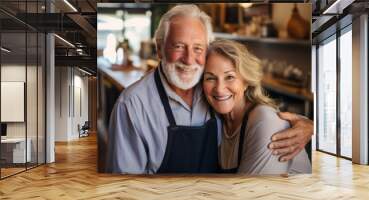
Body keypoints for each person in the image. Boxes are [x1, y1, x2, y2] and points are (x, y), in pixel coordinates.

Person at [106, 4, 313, 174]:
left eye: (197, 48)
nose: (188, 59)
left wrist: (310, 127)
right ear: (159, 48)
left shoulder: (213, 94)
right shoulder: (132, 106)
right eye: (178, 46)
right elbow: (125, 190)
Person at [203, 39, 311, 174]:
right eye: (210, 78)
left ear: (246, 82)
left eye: (229, 77)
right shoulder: (216, 119)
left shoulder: (265, 121)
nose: (219, 89)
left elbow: (253, 191)